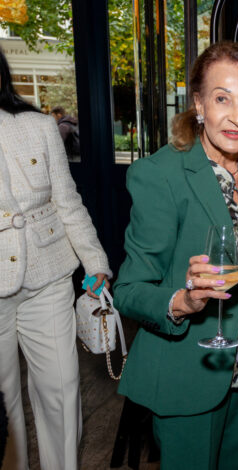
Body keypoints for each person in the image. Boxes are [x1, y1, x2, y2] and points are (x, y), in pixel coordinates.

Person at [113, 41, 238, 470]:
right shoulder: (161, 174)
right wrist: (182, 301)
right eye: (222, 98)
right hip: (190, 372)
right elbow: (129, 289)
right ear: (199, 104)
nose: (237, 116)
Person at [0, 46, 111, 470]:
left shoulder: (38, 126)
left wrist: (95, 262)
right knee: (3, 399)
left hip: (47, 273)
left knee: (61, 389)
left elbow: (67, 202)